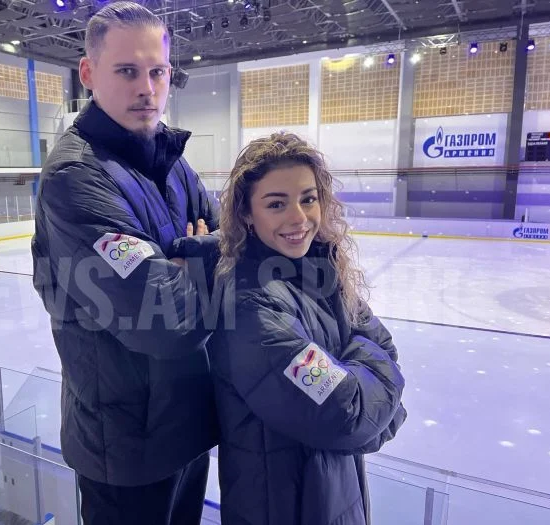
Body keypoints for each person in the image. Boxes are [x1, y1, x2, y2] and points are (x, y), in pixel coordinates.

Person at [30, 2, 219, 524]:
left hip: (189, 425)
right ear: (88, 73)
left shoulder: (172, 162)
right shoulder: (75, 177)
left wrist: (189, 262)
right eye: (127, 71)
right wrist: (203, 255)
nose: (147, 88)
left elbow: (235, 242)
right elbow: (164, 320)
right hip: (126, 448)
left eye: (158, 72)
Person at [208, 132, 407, 525]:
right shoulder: (250, 306)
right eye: (276, 204)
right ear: (246, 214)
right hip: (281, 508)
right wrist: (366, 377)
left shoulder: (322, 274)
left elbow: (385, 351)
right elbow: (348, 415)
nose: (299, 218)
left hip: (334, 496)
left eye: (308, 199)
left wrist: (367, 393)